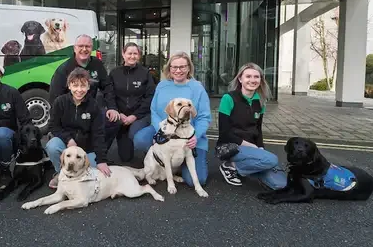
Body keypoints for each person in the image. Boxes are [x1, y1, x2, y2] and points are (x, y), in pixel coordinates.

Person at [132, 52, 212, 188]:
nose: (178, 70)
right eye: (174, 67)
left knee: (197, 181)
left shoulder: (197, 88)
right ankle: (160, 160)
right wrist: (160, 133)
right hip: (165, 129)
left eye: (182, 67)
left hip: (188, 135)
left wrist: (196, 136)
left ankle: (179, 164)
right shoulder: (162, 86)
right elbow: (155, 111)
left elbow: (204, 117)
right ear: (169, 69)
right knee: (140, 139)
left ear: (189, 68)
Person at [215, 62, 287, 189]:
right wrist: (251, 146)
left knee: (280, 185)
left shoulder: (260, 101)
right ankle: (230, 166)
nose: (252, 80)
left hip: (251, 148)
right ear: (240, 79)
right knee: (272, 160)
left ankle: (250, 168)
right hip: (230, 146)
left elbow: (258, 129)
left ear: (261, 80)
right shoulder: (228, 98)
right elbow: (224, 133)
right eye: (248, 76)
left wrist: (260, 148)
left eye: (256, 77)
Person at [46, 68, 112, 188]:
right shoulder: (60, 102)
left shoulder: (94, 105)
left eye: (83, 86)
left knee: (94, 171)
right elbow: (53, 126)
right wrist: (69, 139)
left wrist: (101, 160)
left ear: (88, 87)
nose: (79, 90)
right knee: (52, 145)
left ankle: (76, 175)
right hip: (67, 145)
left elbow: (99, 134)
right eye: (75, 85)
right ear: (69, 86)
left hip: (86, 149)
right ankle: (60, 172)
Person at [49, 34, 120, 143]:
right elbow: (55, 97)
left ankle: (98, 153)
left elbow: (107, 86)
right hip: (70, 111)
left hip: (91, 109)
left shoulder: (97, 64)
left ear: (92, 48)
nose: (84, 49)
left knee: (114, 121)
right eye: (80, 46)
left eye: (87, 46)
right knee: (57, 143)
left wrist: (112, 107)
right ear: (74, 48)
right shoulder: (64, 69)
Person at [105, 42, 155, 162]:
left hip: (140, 116)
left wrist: (135, 116)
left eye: (135, 53)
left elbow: (150, 97)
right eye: (129, 53)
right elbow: (109, 94)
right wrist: (117, 112)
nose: (132, 56)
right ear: (123, 54)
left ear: (139, 55)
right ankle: (99, 157)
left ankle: (152, 156)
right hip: (121, 117)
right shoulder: (114, 73)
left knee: (136, 135)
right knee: (126, 157)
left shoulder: (145, 73)